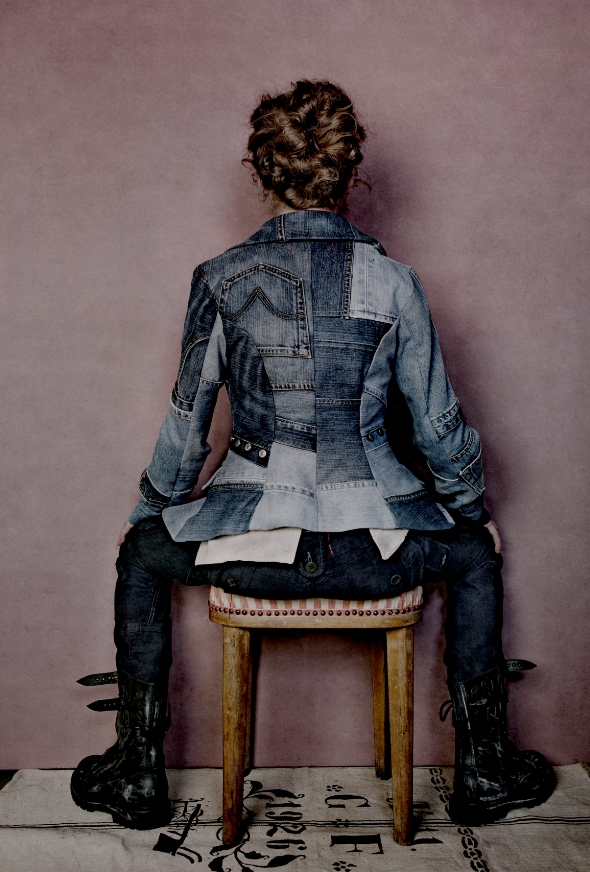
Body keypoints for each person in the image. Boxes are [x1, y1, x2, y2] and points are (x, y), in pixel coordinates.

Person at [71, 80, 555, 831]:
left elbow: (186, 432)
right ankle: (485, 768)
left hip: (250, 550)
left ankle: (137, 770)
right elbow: (439, 427)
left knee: (140, 553)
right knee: (475, 555)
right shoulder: (396, 282)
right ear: (347, 172)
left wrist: (151, 513)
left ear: (265, 172)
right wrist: (468, 510)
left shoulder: (219, 278)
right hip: (377, 553)